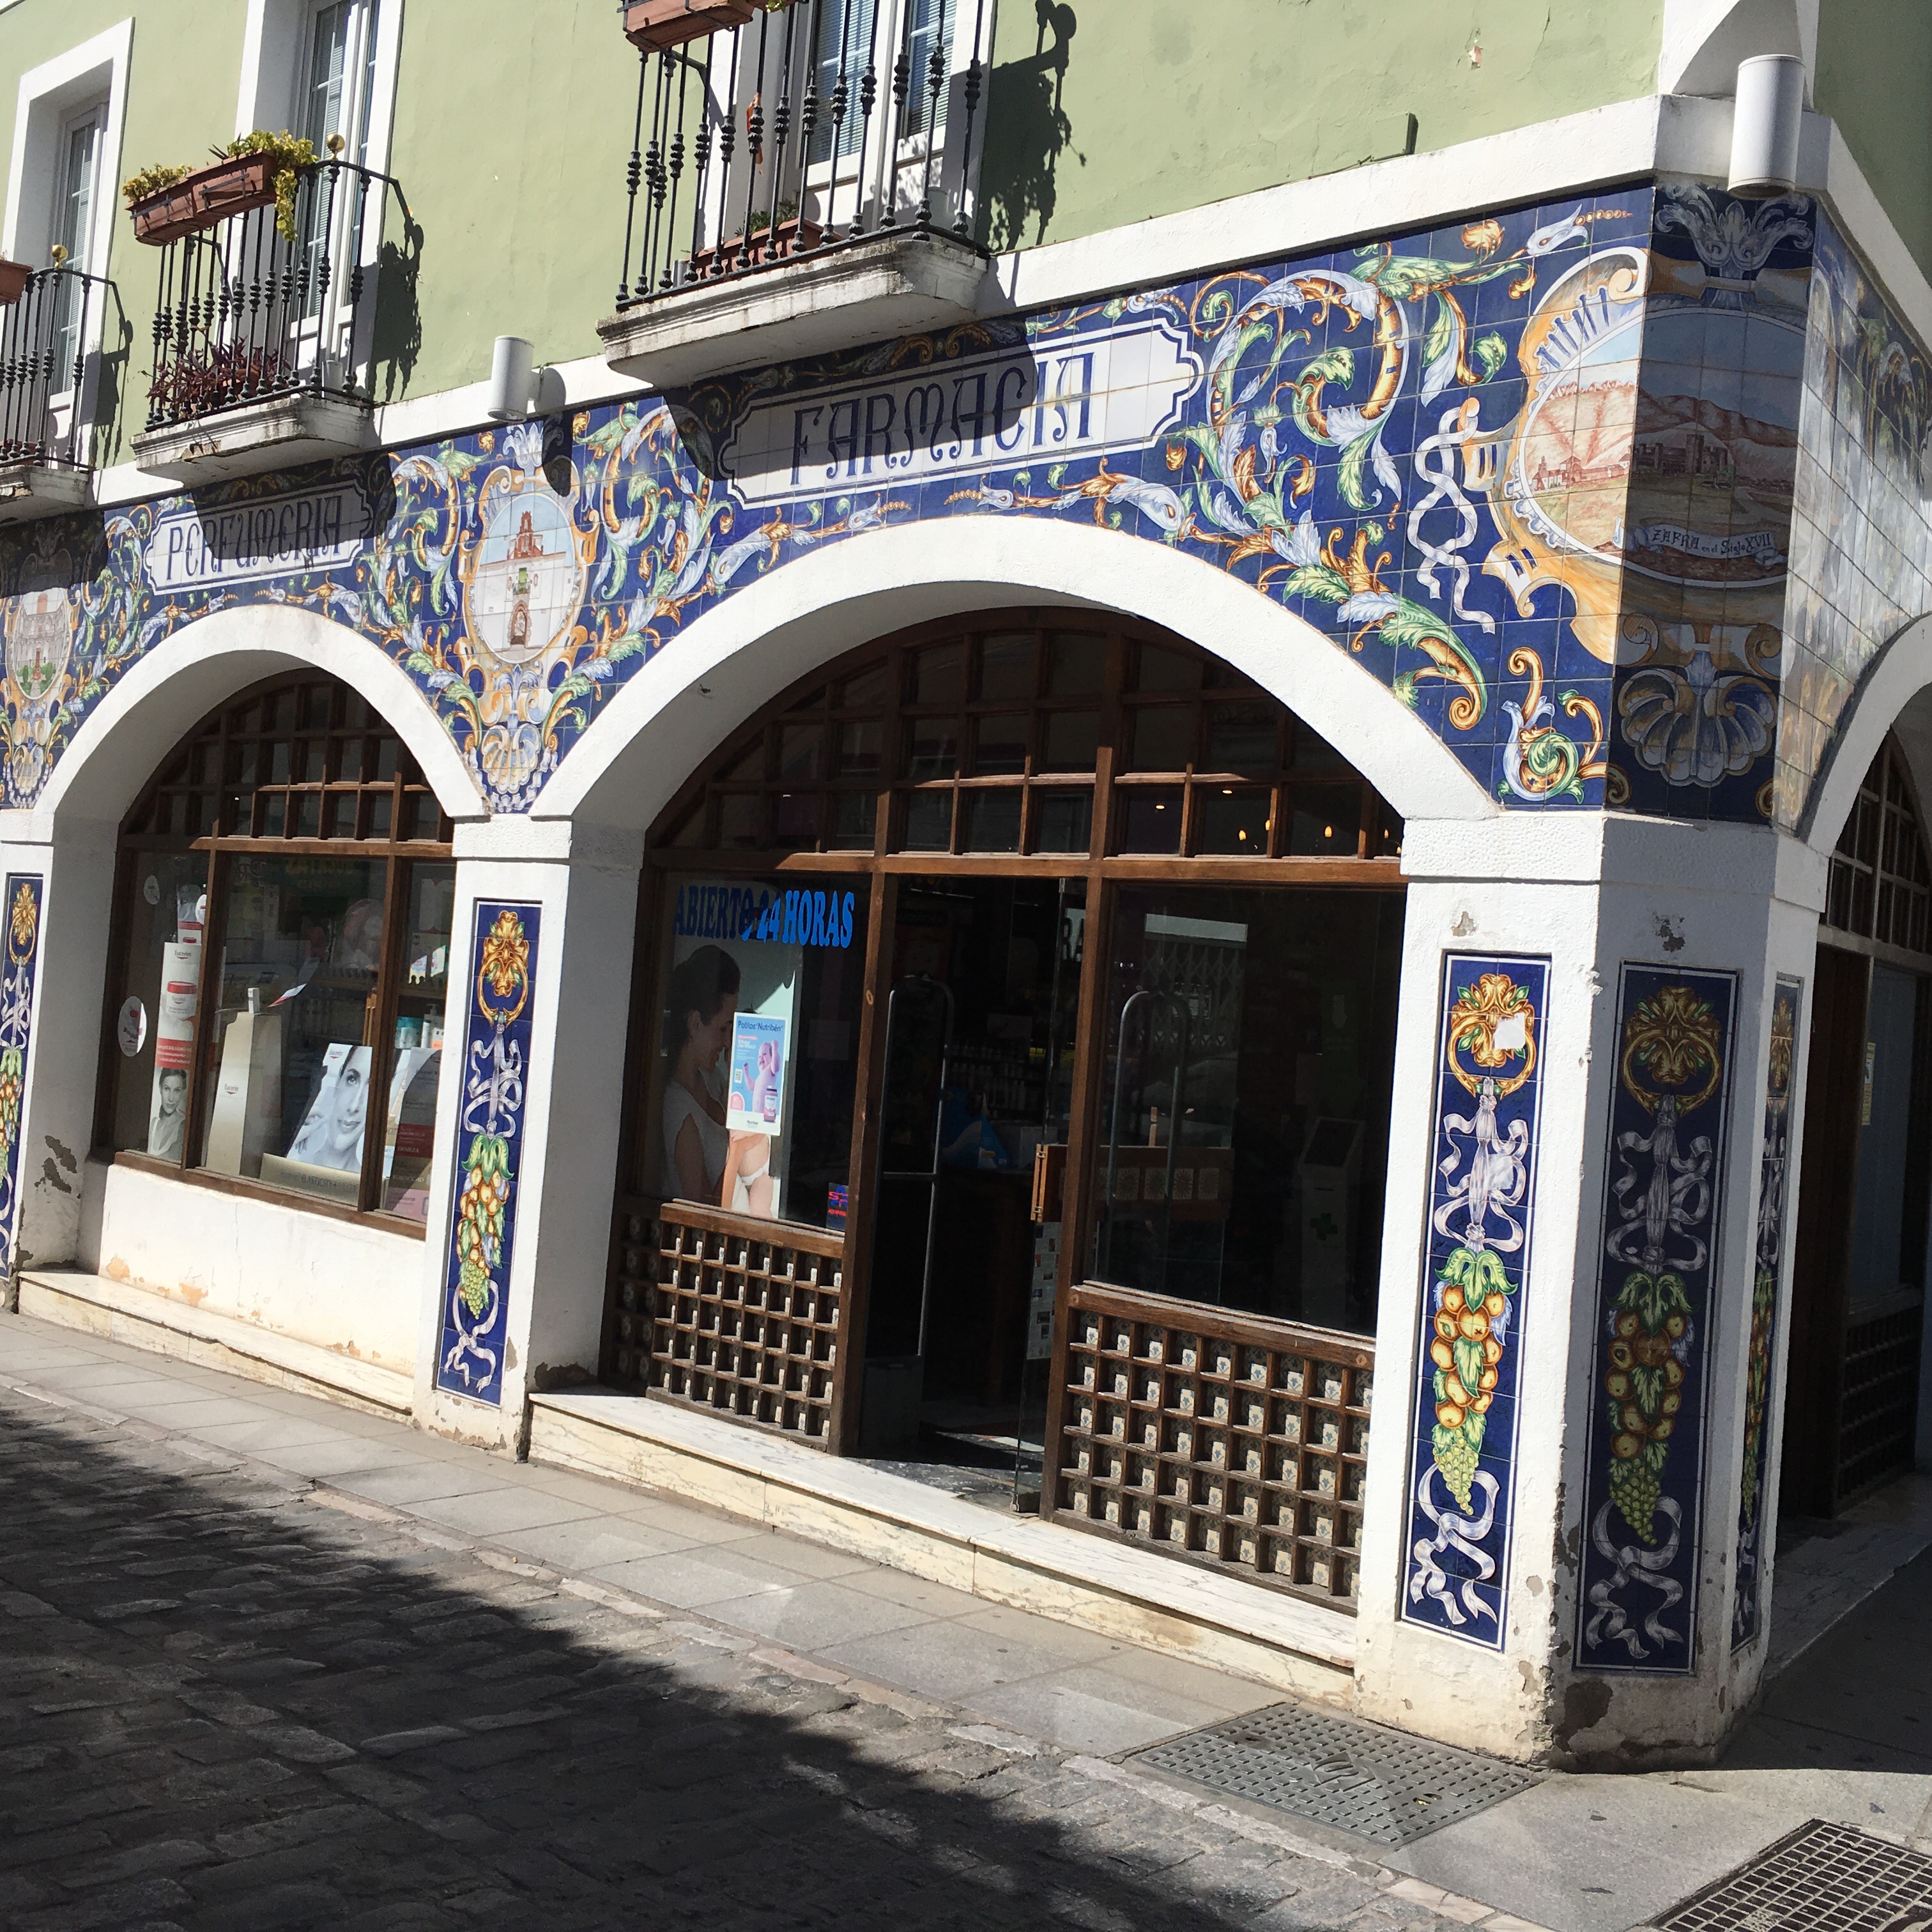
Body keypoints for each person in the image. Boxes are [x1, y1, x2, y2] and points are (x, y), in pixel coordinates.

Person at [661, 946, 739, 1204]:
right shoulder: (678, 1106)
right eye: (723, 1029)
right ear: (695, 1024)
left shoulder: (713, 1079)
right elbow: (702, 1209)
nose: (727, 1042)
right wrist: (737, 1151)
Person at [288, 1045, 370, 1172]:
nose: (354, 1106)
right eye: (352, 1080)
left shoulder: (374, 1180)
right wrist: (290, 1142)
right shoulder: (295, 1157)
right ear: (338, 1080)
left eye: (373, 1087)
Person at [149, 1066, 187, 1160]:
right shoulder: (154, 1123)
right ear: (160, 1088)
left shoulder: (183, 1126)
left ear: (182, 1092)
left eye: (177, 1091)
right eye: (167, 1089)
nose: (171, 1098)